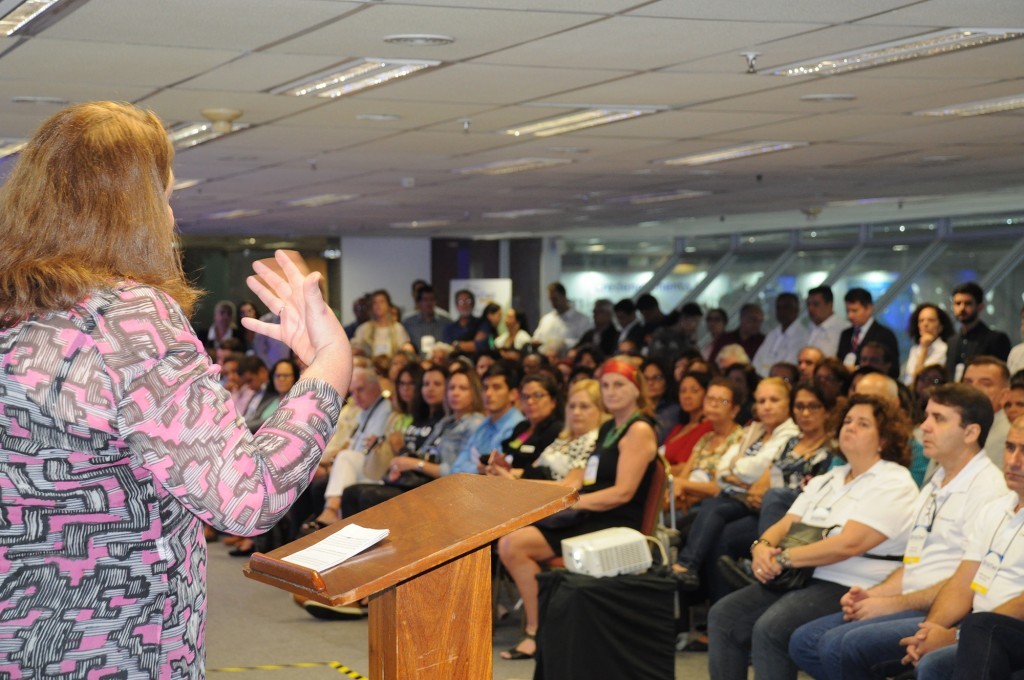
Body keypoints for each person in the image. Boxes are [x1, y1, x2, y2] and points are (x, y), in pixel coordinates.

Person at [0, 101, 351, 677]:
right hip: (113, 646)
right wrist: (329, 366)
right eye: (162, 197)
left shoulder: (18, 315)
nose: (169, 217)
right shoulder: (129, 318)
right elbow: (246, 497)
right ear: (131, 209)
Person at [788, 383, 1006, 680]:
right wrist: (872, 596)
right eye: (927, 416)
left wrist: (890, 604)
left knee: (841, 645)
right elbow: (913, 562)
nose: (925, 427)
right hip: (913, 598)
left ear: (971, 433)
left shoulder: (988, 488)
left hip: (948, 611)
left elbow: (964, 581)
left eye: (939, 419)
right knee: (804, 641)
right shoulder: (936, 481)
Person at [707, 394, 918, 680]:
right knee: (723, 615)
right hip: (805, 576)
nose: (850, 427)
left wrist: (783, 558)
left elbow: (850, 543)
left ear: (883, 439)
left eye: (863, 423)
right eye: (847, 421)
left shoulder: (894, 480)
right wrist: (762, 548)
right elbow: (786, 523)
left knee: (771, 628)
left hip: (853, 583)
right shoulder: (828, 479)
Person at [497, 358, 658, 660]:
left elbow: (623, 493)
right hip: (590, 512)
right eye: (606, 385)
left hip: (615, 522)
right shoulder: (610, 427)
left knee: (513, 544)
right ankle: (540, 628)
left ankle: (537, 631)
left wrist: (573, 504)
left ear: (637, 390)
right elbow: (579, 478)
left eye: (619, 384)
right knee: (511, 538)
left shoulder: (638, 429)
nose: (611, 391)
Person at [894, 416, 1024, 680]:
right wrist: (930, 630)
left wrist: (956, 635)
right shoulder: (995, 509)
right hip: (977, 628)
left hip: (1007, 631)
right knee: (845, 645)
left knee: (938, 662)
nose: (1014, 461)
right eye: (1010, 448)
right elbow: (963, 582)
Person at [670, 377, 800, 593]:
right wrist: (734, 474)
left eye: (774, 400)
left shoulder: (791, 435)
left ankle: (687, 567)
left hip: (762, 507)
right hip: (735, 497)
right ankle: (697, 592)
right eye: (761, 401)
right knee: (693, 529)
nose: (766, 406)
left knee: (713, 517)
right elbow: (722, 470)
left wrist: (733, 472)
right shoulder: (755, 431)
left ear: (788, 403)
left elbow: (751, 469)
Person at [671, 378, 744, 513]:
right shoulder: (705, 439)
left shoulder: (741, 439)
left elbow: (721, 487)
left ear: (735, 409)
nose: (713, 404)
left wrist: (684, 485)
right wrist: (681, 487)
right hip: (687, 503)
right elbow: (682, 478)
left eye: (722, 401)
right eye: (709, 399)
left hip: (715, 507)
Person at [452, 361, 524, 475]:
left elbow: (497, 471)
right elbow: (456, 467)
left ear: (513, 394)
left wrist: (477, 468)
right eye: (485, 388)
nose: (488, 393)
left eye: (496, 387)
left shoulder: (519, 427)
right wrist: (478, 469)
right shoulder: (484, 424)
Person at [488, 373, 564, 480]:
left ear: (553, 401)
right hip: (509, 482)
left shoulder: (557, 430)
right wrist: (500, 464)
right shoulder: (522, 427)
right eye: (525, 396)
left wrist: (516, 472)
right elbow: (510, 454)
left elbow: (547, 470)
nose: (530, 401)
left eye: (537, 395)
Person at [945, 281, 1012, 381]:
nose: (962, 308)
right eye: (958, 303)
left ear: (980, 307)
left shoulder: (996, 339)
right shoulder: (952, 341)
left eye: (968, 303)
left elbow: (1002, 377)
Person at [837, 287, 900, 378]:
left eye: (855, 311)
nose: (850, 316)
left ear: (869, 309)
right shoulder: (846, 334)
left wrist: (857, 370)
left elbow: (893, 370)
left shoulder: (885, 335)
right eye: (848, 311)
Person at [962, 356, 1012, 466]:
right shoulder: (954, 426)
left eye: (985, 384)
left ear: (1004, 396)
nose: (973, 389)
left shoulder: (1009, 436)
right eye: (968, 382)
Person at [663, 371, 714, 469]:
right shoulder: (678, 428)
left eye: (694, 391)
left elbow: (685, 467)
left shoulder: (707, 427)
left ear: (706, 394)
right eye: (683, 391)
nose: (687, 396)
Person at [752, 293, 808, 377]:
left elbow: (788, 368)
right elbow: (757, 360)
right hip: (759, 380)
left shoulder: (802, 336)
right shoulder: (772, 333)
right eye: (778, 307)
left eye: (786, 307)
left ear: (796, 310)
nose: (781, 311)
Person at [532, 282, 591, 357]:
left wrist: (564, 343)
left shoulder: (582, 320)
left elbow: (585, 343)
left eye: (555, 299)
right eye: (551, 299)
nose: (553, 303)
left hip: (569, 361)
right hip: (546, 361)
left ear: (564, 296)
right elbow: (537, 338)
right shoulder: (546, 319)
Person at [904, 303, 954, 386]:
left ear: (941, 326)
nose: (925, 324)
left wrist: (924, 348)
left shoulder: (945, 349)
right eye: (921, 321)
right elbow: (908, 379)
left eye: (931, 320)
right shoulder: (914, 349)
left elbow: (920, 378)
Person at [351, 289, 410, 359]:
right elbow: (355, 348)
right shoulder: (363, 328)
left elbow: (405, 350)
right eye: (375, 303)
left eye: (382, 302)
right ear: (371, 307)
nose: (378, 306)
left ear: (388, 306)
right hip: (369, 366)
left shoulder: (398, 328)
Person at [402, 284, 448, 355]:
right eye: (425, 300)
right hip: (415, 363)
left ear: (435, 301)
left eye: (431, 299)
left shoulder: (446, 323)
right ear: (419, 302)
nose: (428, 303)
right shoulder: (408, 323)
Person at [806, 285, 847, 358]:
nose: (810, 309)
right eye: (808, 304)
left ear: (829, 305)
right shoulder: (809, 327)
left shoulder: (844, 329)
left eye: (816, 304)